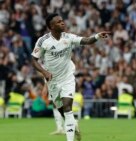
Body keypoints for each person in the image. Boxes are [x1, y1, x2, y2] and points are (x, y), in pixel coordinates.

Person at [31, 13, 111, 141]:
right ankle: (74, 124)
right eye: (59, 22)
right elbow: (34, 60)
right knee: (61, 110)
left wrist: (97, 36)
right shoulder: (43, 41)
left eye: (62, 21)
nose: (63, 23)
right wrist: (44, 72)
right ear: (51, 26)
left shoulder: (68, 37)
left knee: (68, 108)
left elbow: (86, 40)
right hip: (52, 81)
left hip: (67, 78)